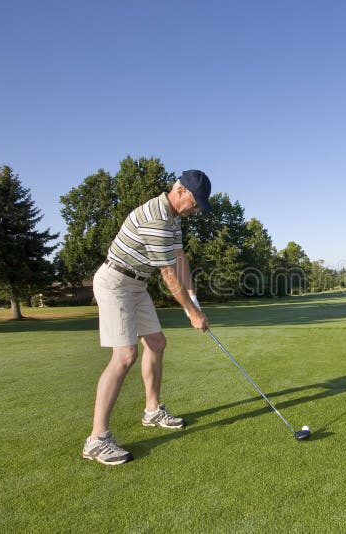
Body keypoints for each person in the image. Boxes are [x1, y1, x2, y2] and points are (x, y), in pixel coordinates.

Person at [82, 170, 211, 465]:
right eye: (195, 203)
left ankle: (152, 411)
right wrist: (192, 314)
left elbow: (179, 257)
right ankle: (96, 439)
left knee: (156, 342)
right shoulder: (157, 218)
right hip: (116, 282)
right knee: (125, 356)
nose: (196, 210)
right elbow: (167, 274)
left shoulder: (174, 218)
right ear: (179, 191)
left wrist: (192, 297)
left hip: (137, 284)